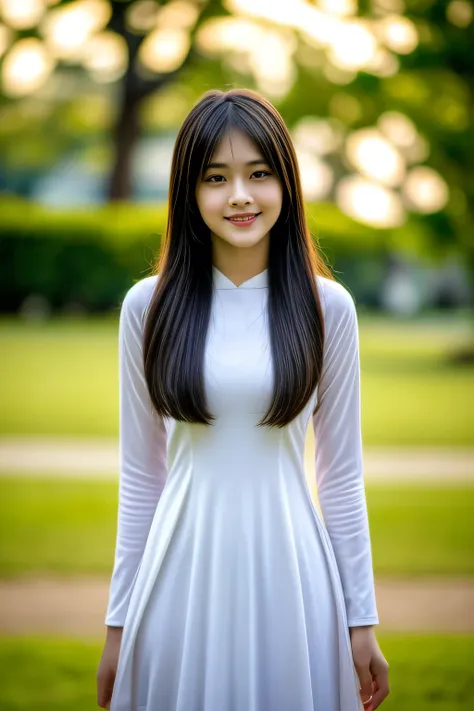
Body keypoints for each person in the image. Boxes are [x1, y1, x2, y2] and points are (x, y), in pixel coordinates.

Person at [96, 87, 389, 711]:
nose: (239, 196)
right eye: (215, 177)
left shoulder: (326, 308)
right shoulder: (146, 308)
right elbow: (140, 477)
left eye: (259, 174)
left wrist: (360, 619)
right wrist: (119, 625)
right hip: (179, 573)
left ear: (287, 182)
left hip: (292, 573)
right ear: (187, 191)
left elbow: (340, 477)